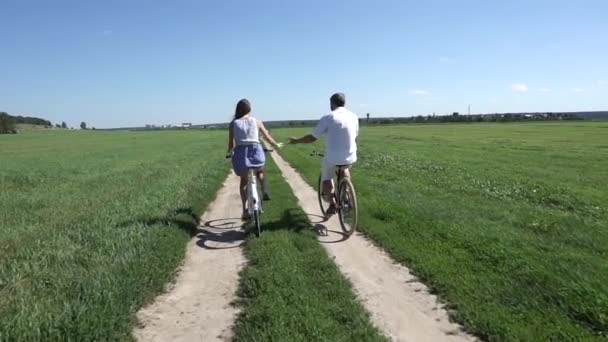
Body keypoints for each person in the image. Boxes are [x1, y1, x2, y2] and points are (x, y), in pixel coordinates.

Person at [288, 93, 359, 217]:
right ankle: (346, 193)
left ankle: (332, 204)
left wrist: (296, 140)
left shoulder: (328, 117)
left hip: (333, 157)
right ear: (344, 103)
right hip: (351, 155)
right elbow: (355, 137)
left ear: (332, 103)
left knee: (326, 177)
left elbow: (312, 137)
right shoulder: (354, 116)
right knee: (345, 167)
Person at [227, 99, 282, 220]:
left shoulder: (233, 123)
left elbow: (231, 144)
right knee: (260, 171)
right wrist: (276, 144)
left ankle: (245, 209)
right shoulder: (257, 121)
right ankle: (264, 190)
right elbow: (267, 137)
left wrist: (229, 152)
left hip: (241, 154)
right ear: (249, 109)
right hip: (256, 151)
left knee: (243, 181)